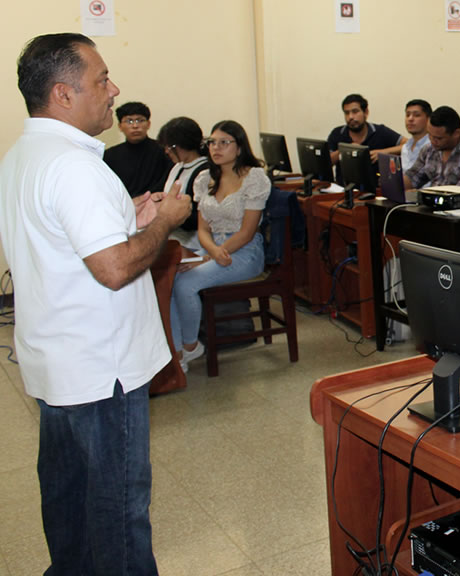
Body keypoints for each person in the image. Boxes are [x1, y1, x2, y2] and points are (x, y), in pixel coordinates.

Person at [0, 33, 192, 575]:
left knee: (68, 501)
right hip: (101, 371)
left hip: (56, 364)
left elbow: (61, 241)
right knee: (118, 513)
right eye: (101, 79)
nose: (114, 90)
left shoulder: (25, 155)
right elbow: (113, 269)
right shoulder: (75, 166)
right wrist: (163, 221)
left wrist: (125, 216)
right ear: (63, 93)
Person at [170, 120, 270, 372]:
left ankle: (191, 347)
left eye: (224, 143)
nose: (216, 148)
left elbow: (247, 232)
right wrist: (211, 253)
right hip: (213, 248)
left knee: (186, 283)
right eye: (212, 142)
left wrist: (214, 254)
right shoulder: (205, 178)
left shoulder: (254, 177)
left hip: (245, 251)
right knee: (167, 279)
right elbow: (203, 229)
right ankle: (175, 350)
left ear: (239, 147)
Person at [405, 105, 460, 190]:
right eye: (430, 135)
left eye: (439, 138)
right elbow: (413, 177)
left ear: (456, 134)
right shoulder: (429, 149)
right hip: (433, 201)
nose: (432, 140)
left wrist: (422, 195)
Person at [157, 116, 209, 252]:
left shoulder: (205, 172)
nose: (166, 151)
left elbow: (199, 218)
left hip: (192, 241)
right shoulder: (177, 167)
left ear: (184, 144)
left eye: (170, 147)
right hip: (171, 235)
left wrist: (167, 214)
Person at [103, 100, 173, 197]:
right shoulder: (109, 155)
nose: (135, 126)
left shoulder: (163, 151)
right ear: (120, 126)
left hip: (155, 203)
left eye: (140, 120)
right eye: (129, 121)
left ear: (148, 124)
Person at [327, 93, 405, 176]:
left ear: (366, 112)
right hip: (343, 187)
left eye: (355, 112)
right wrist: (344, 151)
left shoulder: (380, 131)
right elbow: (325, 163)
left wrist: (383, 152)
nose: (350, 117)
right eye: (347, 113)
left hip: (375, 187)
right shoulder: (337, 133)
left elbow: (409, 145)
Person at [401, 98, 431, 171]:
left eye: (416, 115)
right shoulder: (405, 147)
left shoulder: (433, 146)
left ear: (428, 119)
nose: (410, 119)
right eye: (407, 115)